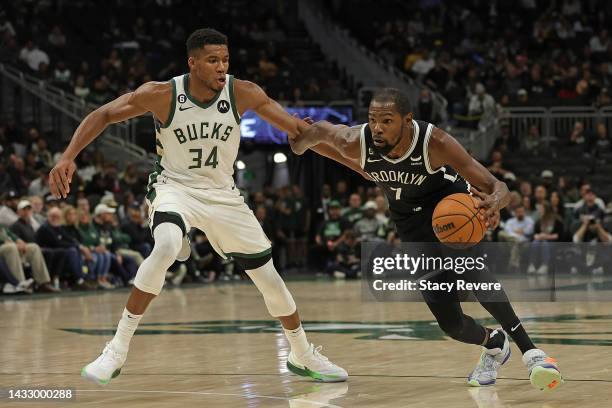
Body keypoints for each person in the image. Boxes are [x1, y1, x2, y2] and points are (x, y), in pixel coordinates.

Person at [48, 28, 348, 385]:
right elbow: (104, 115)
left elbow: (301, 131)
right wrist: (68, 157)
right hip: (174, 186)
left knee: (270, 281)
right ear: (192, 63)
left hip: (223, 194)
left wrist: (348, 155)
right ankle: (116, 349)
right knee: (167, 246)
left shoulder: (244, 92)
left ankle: (301, 354)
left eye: (225, 60)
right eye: (212, 60)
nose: (222, 67)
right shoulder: (160, 94)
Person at [289, 87, 562, 391]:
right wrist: (301, 142)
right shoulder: (357, 141)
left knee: (468, 268)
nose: (377, 127)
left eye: (387, 121)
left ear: (407, 120)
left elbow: (497, 186)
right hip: (411, 226)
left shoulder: (436, 142)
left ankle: (533, 353)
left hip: (449, 208)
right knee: (452, 325)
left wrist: (494, 202)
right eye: (372, 119)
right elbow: (319, 136)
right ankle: (494, 343)